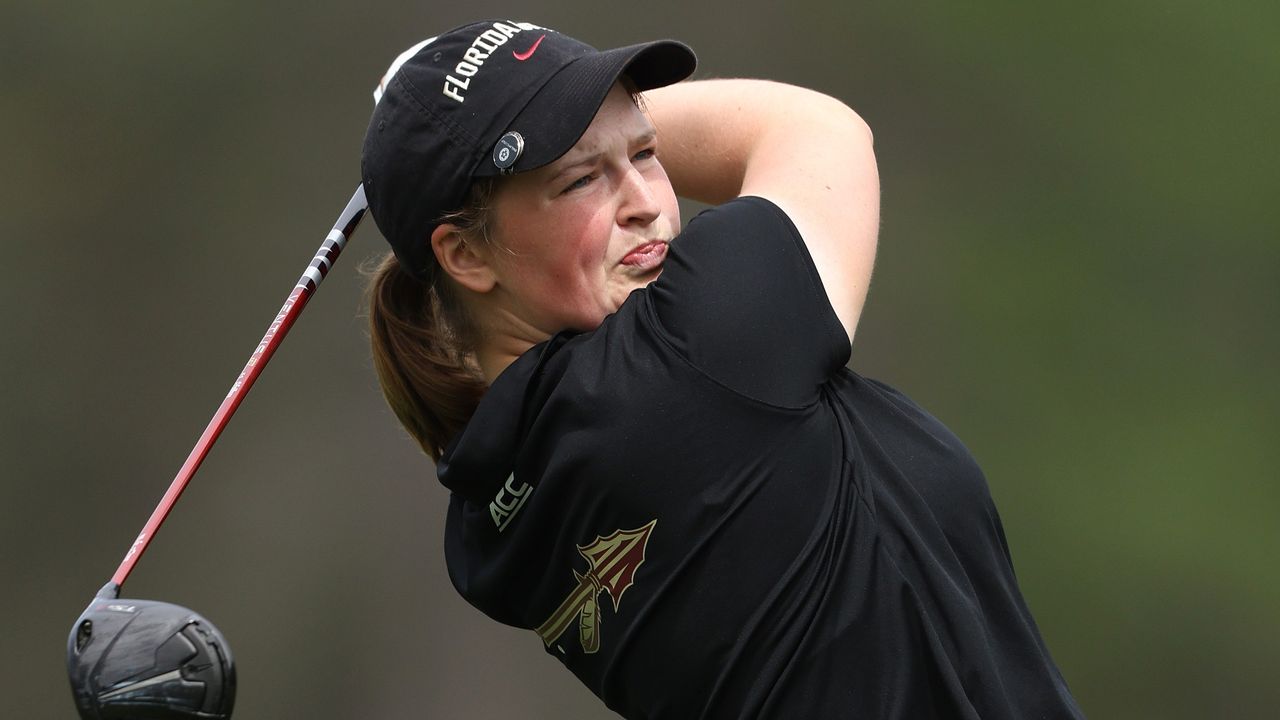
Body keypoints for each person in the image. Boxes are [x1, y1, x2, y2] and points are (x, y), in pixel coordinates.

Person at [360, 18, 1085, 719]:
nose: (648, 203)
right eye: (580, 180)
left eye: (646, 155)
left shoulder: (487, 522)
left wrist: (558, 122)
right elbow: (813, 128)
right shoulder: (695, 349)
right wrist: (601, 116)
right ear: (464, 256)